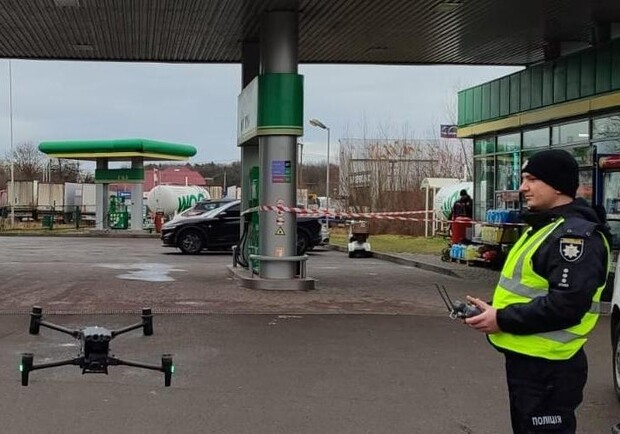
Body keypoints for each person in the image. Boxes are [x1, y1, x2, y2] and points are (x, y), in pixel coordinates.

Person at [464, 149, 611, 434]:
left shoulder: (573, 237)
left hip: (549, 368)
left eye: (531, 179)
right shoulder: (545, 228)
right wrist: (493, 309)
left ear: (557, 185)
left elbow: (566, 306)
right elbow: (529, 290)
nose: (522, 188)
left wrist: (502, 319)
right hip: (531, 363)